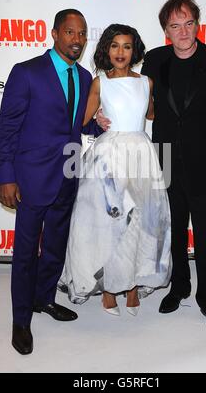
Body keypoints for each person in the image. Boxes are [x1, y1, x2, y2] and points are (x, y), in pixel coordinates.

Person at [0, 9, 102, 355]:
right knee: (25, 253)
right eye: (70, 32)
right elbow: (8, 130)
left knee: (55, 247)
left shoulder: (85, 78)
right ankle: (21, 320)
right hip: (30, 179)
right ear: (54, 33)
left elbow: (77, 126)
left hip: (68, 177)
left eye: (82, 33)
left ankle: (44, 299)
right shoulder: (26, 73)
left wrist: (99, 125)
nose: (77, 39)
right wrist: (6, 177)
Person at [140, 0, 206, 338]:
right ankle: (179, 287)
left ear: (198, 24)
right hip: (167, 161)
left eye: (188, 23)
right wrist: (102, 112)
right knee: (174, 234)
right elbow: (140, 104)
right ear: (165, 31)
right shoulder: (154, 60)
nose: (183, 32)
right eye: (175, 26)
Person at [59, 24, 172, 315]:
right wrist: (97, 117)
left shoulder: (146, 82)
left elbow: (150, 113)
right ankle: (109, 288)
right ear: (106, 50)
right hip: (108, 157)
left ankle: (132, 285)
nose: (120, 52)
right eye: (114, 46)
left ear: (134, 51)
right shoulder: (99, 82)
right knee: (107, 224)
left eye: (126, 46)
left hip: (141, 155)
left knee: (140, 222)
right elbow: (81, 121)